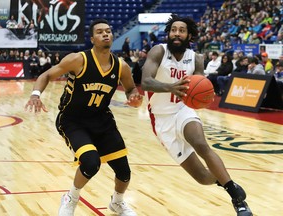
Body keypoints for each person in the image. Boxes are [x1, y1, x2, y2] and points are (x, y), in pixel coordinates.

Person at [25, 18, 142, 216]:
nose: (105, 34)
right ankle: (71, 197)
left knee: (124, 172)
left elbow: (131, 89)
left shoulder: (121, 66)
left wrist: (134, 98)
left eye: (108, 31)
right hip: (72, 120)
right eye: (100, 32)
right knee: (90, 162)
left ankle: (117, 202)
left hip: (102, 120)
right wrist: (35, 95)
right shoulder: (78, 59)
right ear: (92, 38)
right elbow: (46, 75)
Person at [141, 14, 253, 216]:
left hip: (183, 110)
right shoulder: (158, 51)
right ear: (168, 33)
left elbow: (201, 85)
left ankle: (236, 197)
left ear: (189, 35)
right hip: (161, 119)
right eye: (173, 30)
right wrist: (170, 87)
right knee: (203, 177)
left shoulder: (196, 58)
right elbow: (146, 82)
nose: (176, 33)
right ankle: (223, 179)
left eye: (181, 30)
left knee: (200, 143)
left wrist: (203, 95)